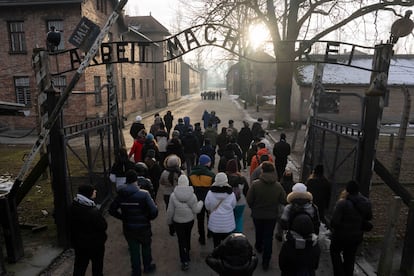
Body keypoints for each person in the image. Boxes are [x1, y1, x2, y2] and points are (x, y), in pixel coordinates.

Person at [109, 170, 158, 276]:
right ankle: (147, 267)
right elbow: (154, 211)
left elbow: (111, 210)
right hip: (144, 226)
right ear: (136, 180)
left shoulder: (121, 194)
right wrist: (148, 218)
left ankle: (136, 271)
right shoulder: (144, 194)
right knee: (146, 247)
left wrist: (123, 217)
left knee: (133, 250)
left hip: (128, 227)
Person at [246, 161, 286, 270]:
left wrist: (253, 207)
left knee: (259, 232)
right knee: (268, 237)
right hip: (271, 216)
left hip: (257, 214)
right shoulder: (278, 186)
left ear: (262, 171)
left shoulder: (255, 184)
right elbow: (283, 200)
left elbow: (249, 199)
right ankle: (266, 261)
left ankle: (258, 246)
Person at [330, 180, 373, 276]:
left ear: (347, 190)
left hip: (341, 236)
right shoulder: (366, 202)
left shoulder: (342, 203)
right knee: (350, 257)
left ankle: (339, 273)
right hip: (356, 236)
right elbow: (369, 217)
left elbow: (334, 222)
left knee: (334, 252)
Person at [279, 183, 321, 276]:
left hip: (293, 240)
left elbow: (283, 223)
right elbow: (317, 224)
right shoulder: (313, 207)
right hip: (310, 240)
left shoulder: (289, 208)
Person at [167, 175, 203, 271]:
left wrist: (169, 222)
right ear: (187, 183)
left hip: (178, 221)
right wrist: (201, 203)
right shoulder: (192, 195)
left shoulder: (173, 196)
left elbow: (170, 211)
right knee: (187, 236)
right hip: (189, 220)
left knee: (181, 240)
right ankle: (187, 249)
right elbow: (196, 210)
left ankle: (184, 260)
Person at [70, 184, 107, 276]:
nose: (95, 192)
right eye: (94, 191)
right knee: (97, 266)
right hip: (95, 245)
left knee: (80, 266)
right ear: (89, 193)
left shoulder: (73, 207)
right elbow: (103, 226)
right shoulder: (93, 211)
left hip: (80, 244)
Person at [189, 154, 215, 245]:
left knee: (200, 219)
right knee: (209, 217)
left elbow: (190, 187)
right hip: (208, 199)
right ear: (207, 163)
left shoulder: (192, 174)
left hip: (197, 199)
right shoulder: (211, 175)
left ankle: (202, 237)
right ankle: (210, 233)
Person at [204, 172, 237, 247]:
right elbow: (233, 205)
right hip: (228, 223)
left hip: (215, 223)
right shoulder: (230, 193)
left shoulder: (210, 192)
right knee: (227, 245)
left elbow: (207, 206)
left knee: (216, 244)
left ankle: (217, 256)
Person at [159, 154, 184, 236]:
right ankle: (178, 226)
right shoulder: (181, 173)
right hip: (178, 194)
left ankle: (171, 228)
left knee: (169, 210)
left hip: (167, 194)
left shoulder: (164, 172)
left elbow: (161, 182)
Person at [225, 159, 249, 233]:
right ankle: (238, 236)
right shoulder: (242, 179)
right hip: (240, 201)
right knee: (238, 219)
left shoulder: (225, 178)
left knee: (229, 219)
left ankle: (229, 236)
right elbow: (246, 191)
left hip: (228, 202)